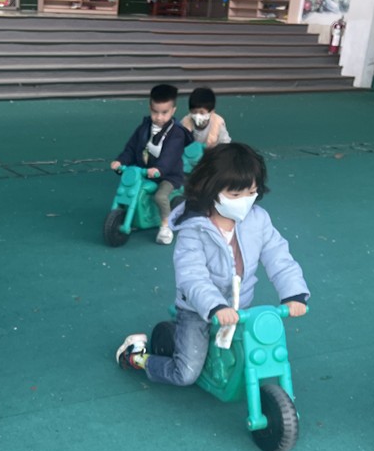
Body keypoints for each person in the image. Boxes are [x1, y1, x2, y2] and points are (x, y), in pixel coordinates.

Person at [115, 142, 309, 385]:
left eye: (251, 192)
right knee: (186, 373)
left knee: (251, 355)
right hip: (198, 309)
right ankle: (136, 357)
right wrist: (215, 306)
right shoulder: (194, 229)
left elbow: (279, 257)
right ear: (211, 189)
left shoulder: (258, 220)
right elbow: (191, 276)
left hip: (240, 307)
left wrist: (294, 293)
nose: (245, 201)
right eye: (235, 195)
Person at [111, 83, 192, 245]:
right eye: (155, 112)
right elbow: (131, 148)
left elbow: (170, 156)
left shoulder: (176, 134)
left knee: (160, 196)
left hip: (167, 175)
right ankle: (134, 217)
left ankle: (165, 226)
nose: (159, 117)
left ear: (173, 111)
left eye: (164, 112)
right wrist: (121, 161)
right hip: (144, 172)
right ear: (150, 108)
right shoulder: (144, 128)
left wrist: (159, 169)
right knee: (129, 191)